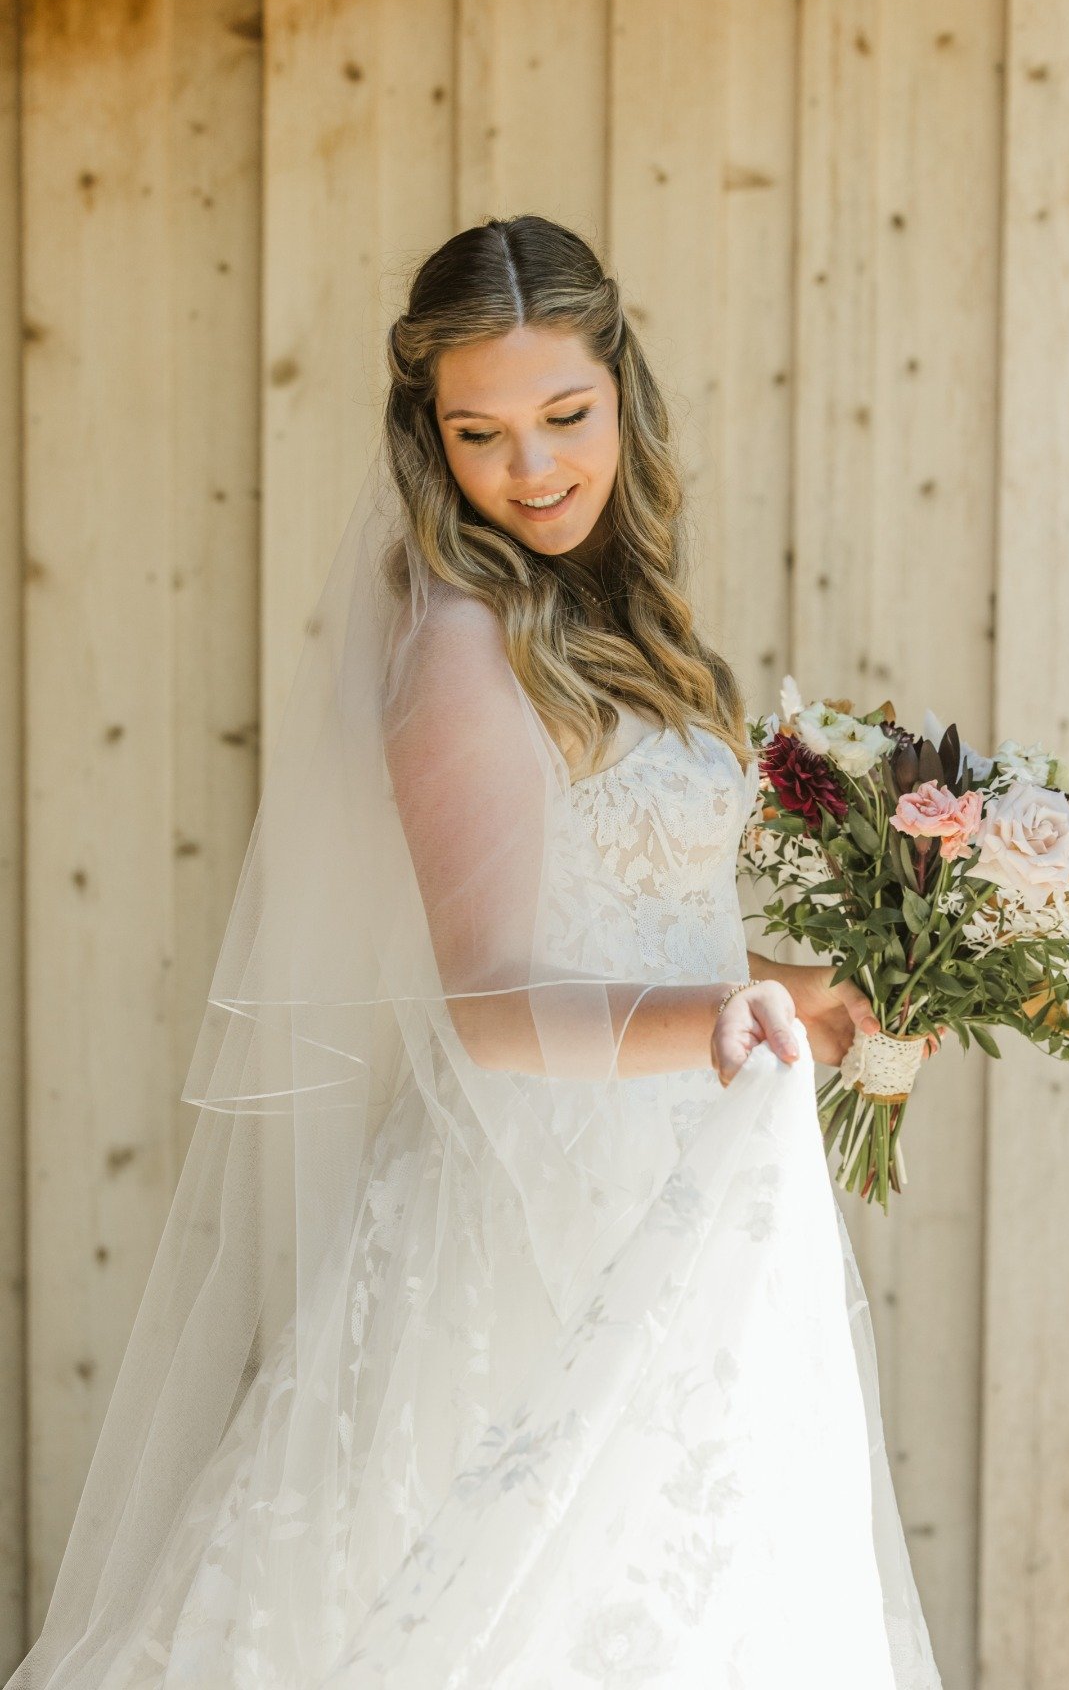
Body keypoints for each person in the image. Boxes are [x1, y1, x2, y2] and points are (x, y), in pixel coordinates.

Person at [7, 214, 943, 1687]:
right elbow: (493, 1001)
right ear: (429, 438)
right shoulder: (459, 633)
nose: (534, 469)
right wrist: (719, 1010)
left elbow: (633, 920)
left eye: (566, 417)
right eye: (482, 434)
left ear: (620, 391)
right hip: (526, 1220)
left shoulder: (606, 617)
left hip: (681, 1187)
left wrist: (805, 994)